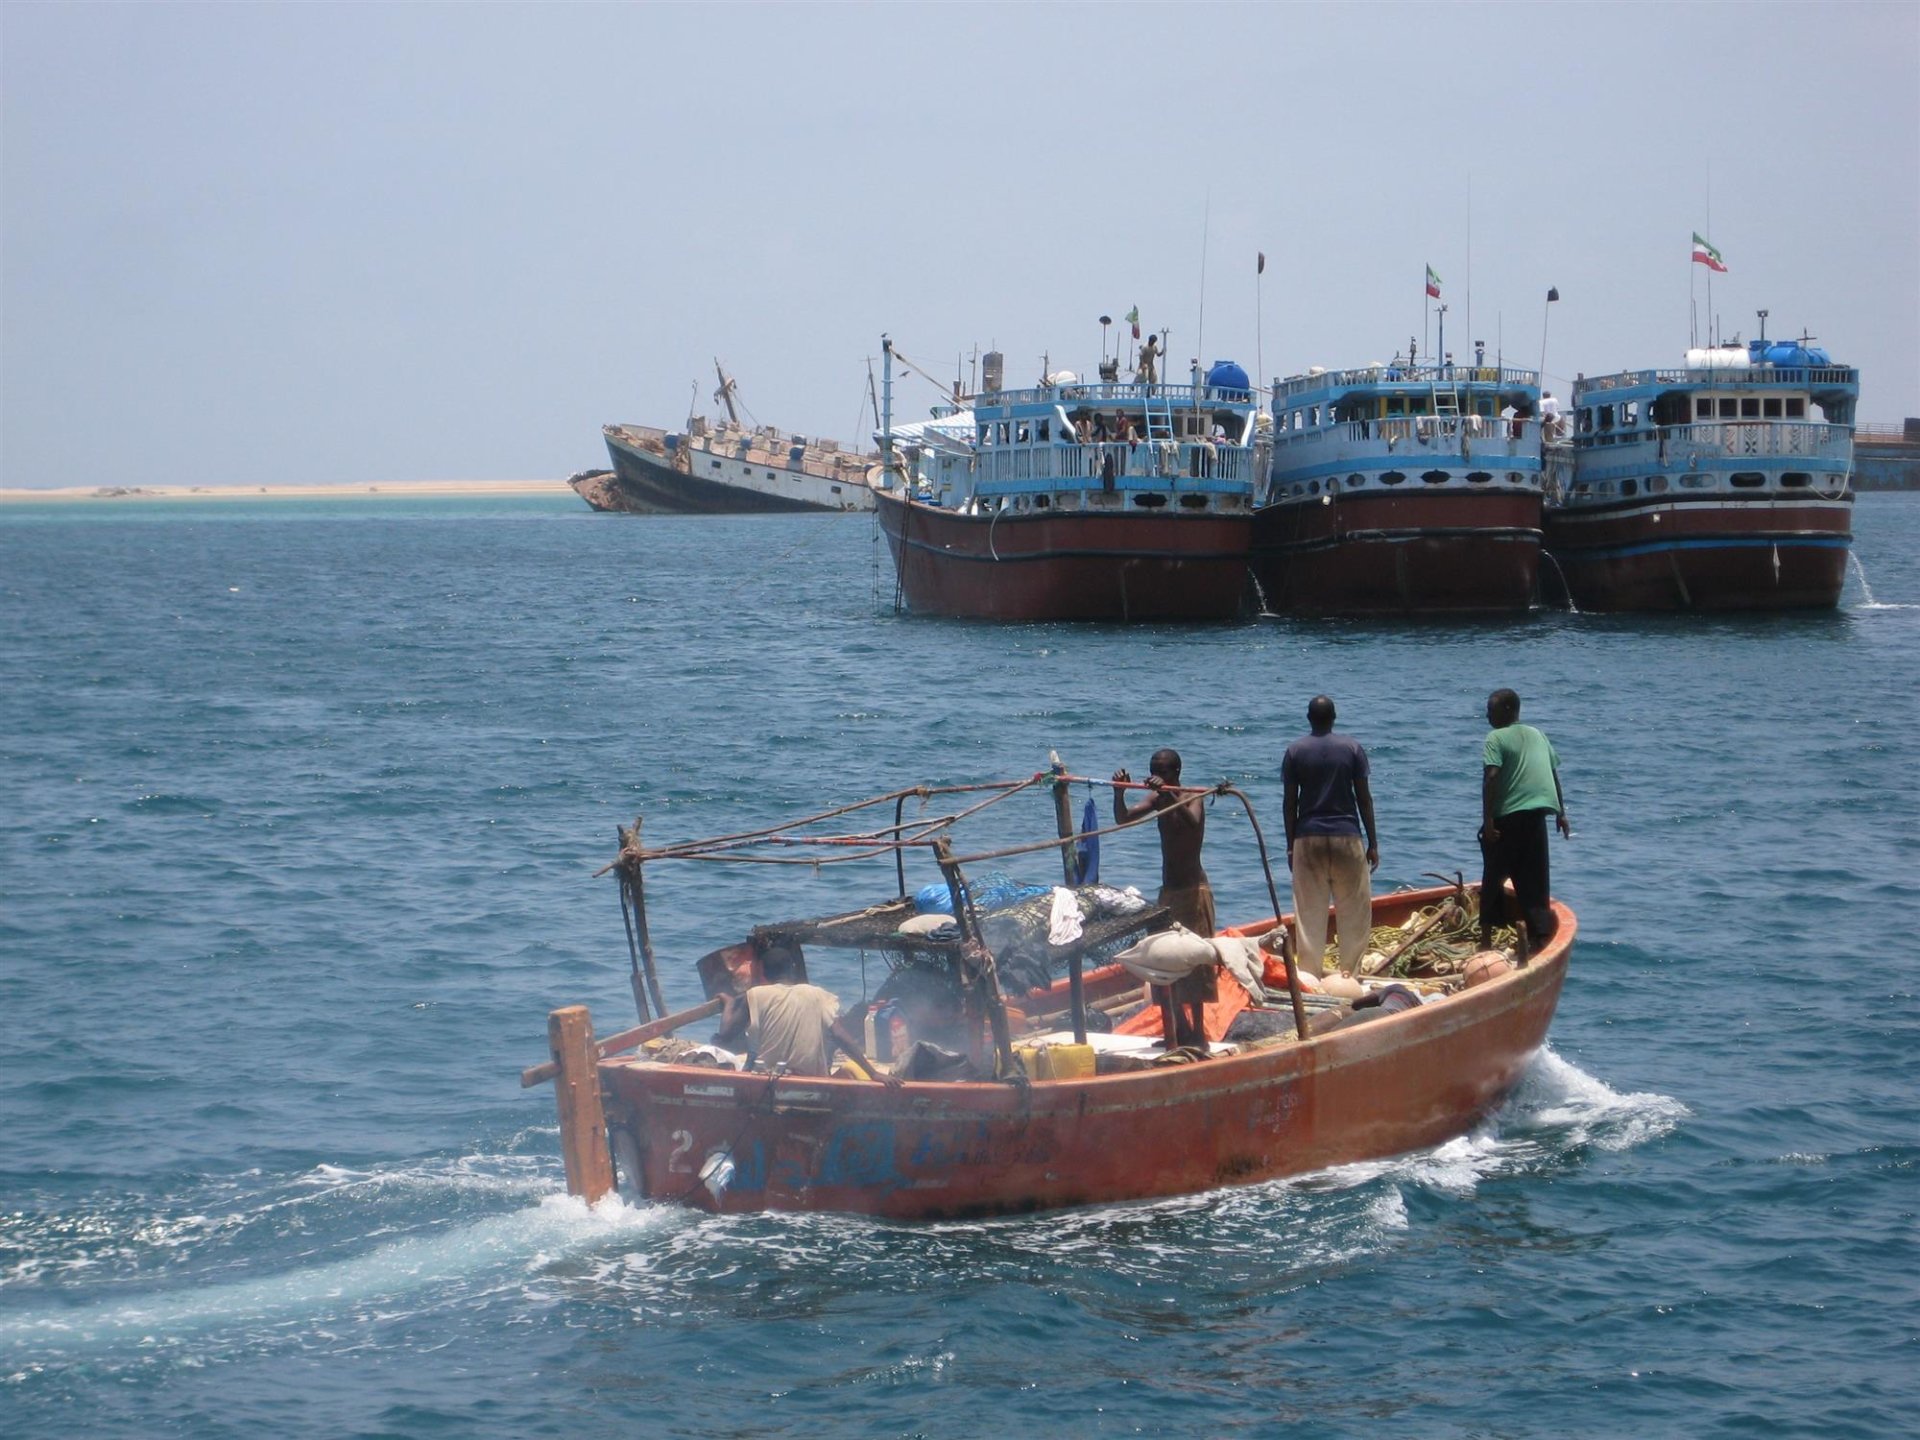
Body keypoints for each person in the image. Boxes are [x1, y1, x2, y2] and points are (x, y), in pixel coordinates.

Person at [1113, 748, 1215, 1050]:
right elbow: (1122, 819)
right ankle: (1178, 1029)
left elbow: (1193, 823)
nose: (1157, 777)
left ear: (1177, 773)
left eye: (1164, 772)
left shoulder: (1191, 796)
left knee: (1195, 962)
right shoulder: (1157, 799)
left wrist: (1168, 796)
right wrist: (1119, 793)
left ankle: (1198, 1032)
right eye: (1153, 770)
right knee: (1163, 960)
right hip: (1168, 892)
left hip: (1194, 891)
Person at [1282, 696, 1379, 976]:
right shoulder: (1352, 748)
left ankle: (1310, 976)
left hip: (1307, 838)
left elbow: (1290, 803)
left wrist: (1291, 846)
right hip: (1347, 836)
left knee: (1309, 912)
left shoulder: (1295, 751)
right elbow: (1364, 799)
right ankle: (1350, 973)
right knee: (1354, 910)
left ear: (1309, 718)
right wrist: (1373, 842)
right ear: (1334, 717)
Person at [715, 948, 898, 1084]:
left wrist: (730, 1004)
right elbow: (840, 1036)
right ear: (792, 969)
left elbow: (725, 1034)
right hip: (813, 1082)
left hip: (765, 1080)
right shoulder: (817, 994)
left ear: (763, 973)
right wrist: (872, 1073)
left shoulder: (755, 995)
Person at [1479, 688, 1571, 949]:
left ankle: (1486, 941)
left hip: (1508, 818)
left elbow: (1491, 777)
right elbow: (1553, 775)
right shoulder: (1538, 734)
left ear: (1508, 710)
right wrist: (1561, 813)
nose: (1487, 715)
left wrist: (1488, 822)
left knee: (1493, 876)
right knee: (1535, 880)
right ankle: (1539, 938)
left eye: (1491, 709)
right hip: (1537, 817)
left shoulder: (1495, 738)